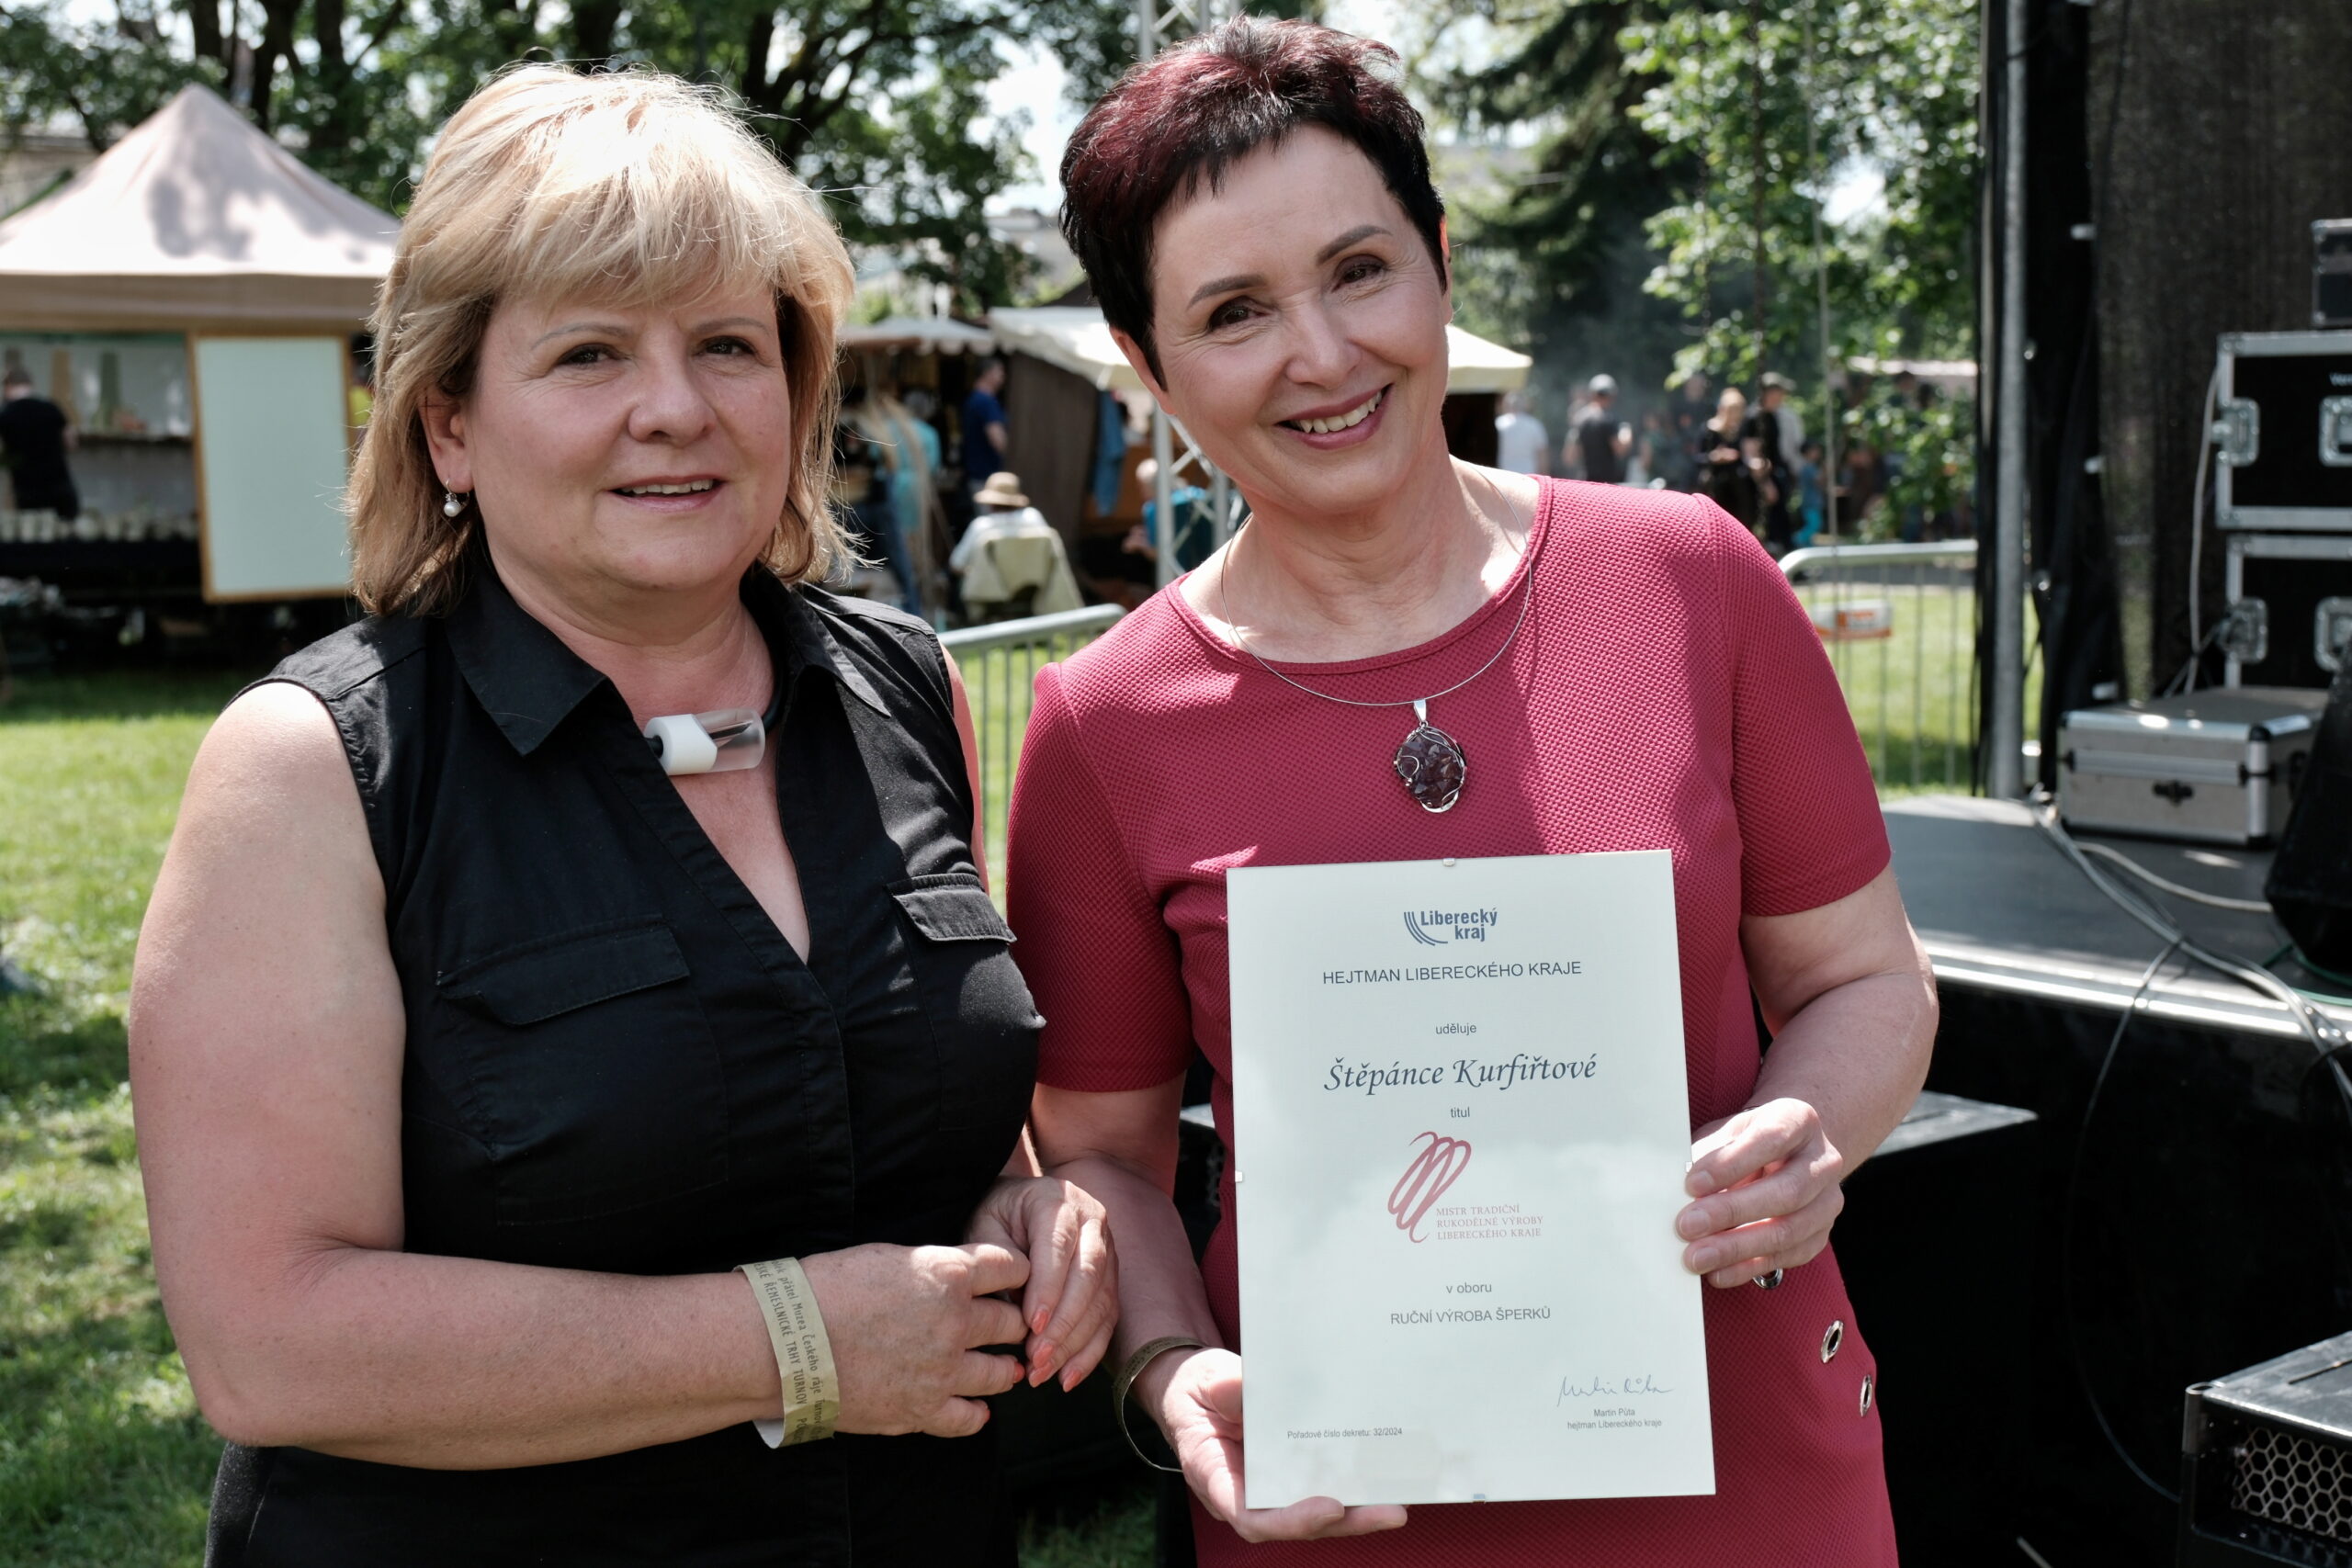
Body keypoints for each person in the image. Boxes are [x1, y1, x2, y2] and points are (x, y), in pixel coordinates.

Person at [127, 67, 1114, 1567]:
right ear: (447, 425)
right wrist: (794, 1340)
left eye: (728, 344)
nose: (676, 407)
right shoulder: (315, 767)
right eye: (591, 352)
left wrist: (1026, 1209)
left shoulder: (901, 686)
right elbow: (270, 1338)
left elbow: (904, 1090)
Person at [1022, 18, 1936, 1564]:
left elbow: (1866, 978)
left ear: (1441, 263)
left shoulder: (1692, 577)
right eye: (1235, 312)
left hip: (1748, 1471)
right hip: (1344, 1506)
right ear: (1146, 363)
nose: (1323, 354)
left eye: (1360, 270)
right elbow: (1103, 1153)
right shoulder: (1104, 723)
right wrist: (1172, 1364)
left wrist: (1807, 1133)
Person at [950, 470, 1083, 616]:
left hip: (993, 601)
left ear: (990, 503)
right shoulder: (1033, 518)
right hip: (1033, 596)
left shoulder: (981, 526)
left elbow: (956, 564)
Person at [0, 367, 79, 519]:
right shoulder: (51, 407)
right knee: (67, 530)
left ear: (8, 387)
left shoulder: (6, 414)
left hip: (27, 491)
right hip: (60, 487)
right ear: (30, 384)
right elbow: (71, 442)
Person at [1696, 384, 1762, 535]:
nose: (1736, 415)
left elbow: (1747, 455)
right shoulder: (1710, 431)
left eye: (1739, 410)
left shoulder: (1742, 432)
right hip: (1718, 484)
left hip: (1739, 486)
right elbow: (1698, 459)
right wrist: (1715, 457)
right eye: (1732, 410)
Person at [1746, 373, 1797, 553]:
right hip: (1765, 479)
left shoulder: (1773, 416)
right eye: (1779, 392)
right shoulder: (1754, 418)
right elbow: (1751, 453)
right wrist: (1765, 482)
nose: (1782, 397)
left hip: (1778, 474)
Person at [961, 357, 1010, 498]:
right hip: (988, 476)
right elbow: (997, 438)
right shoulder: (986, 402)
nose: (1003, 376)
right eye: (999, 371)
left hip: (977, 472)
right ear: (987, 373)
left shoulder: (974, 399)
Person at [1569, 373, 1629, 484]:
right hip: (1606, 483)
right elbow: (1620, 450)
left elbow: (1570, 456)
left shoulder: (1580, 419)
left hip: (1586, 482)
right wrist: (1626, 432)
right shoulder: (1608, 419)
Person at [1492, 390, 1549, 477]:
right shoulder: (1534, 425)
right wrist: (1545, 476)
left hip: (1503, 475)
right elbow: (1542, 455)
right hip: (1529, 476)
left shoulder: (1498, 424)